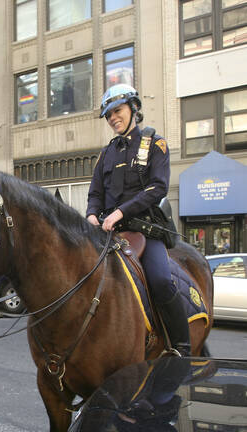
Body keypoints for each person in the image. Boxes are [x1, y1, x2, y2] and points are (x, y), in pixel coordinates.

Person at [86, 84, 191, 356]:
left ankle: (181, 347)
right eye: (108, 115)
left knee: (159, 280)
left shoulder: (155, 144)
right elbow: (95, 193)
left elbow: (158, 187)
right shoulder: (105, 154)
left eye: (117, 111)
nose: (112, 119)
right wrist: (91, 216)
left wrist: (121, 212)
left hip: (144, 231)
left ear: (134, 109)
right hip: (108, 233)